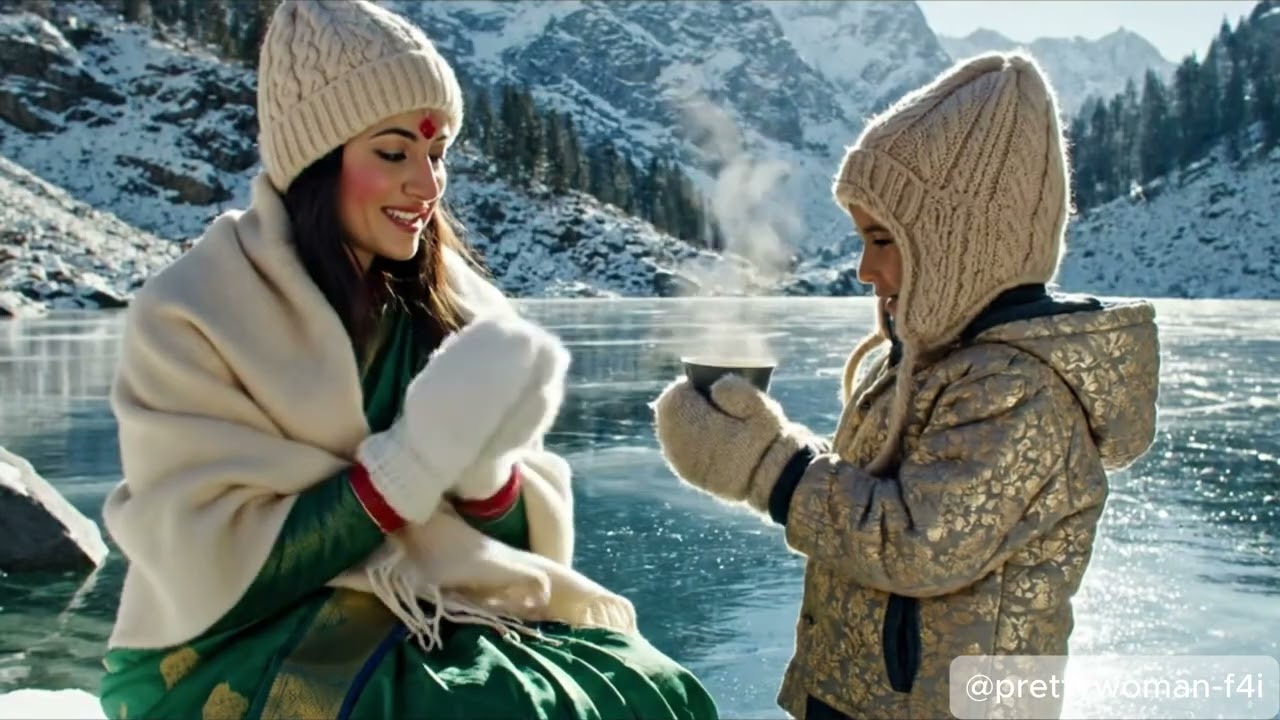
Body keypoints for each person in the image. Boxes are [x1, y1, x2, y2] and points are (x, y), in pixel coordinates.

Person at [97, 2, 718, 719]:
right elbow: (207, 564)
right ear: (317, 161)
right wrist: (412, 464)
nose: (427, 187)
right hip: (228, 642)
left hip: (426, 605)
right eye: (394, 154)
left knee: (649, 684)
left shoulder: (463, 304)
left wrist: (488, 474)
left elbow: (517, 549)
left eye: (438, 154)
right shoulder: (193, 311)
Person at [653, 52, 1160, 719]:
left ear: (965, 246)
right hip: (863, 697)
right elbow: (877, 494)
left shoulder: (1021, 392)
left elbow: (919, 542)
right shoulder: (938, 363)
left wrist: (766, 467)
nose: (864, 268)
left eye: (884, 239)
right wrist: (765, 442)